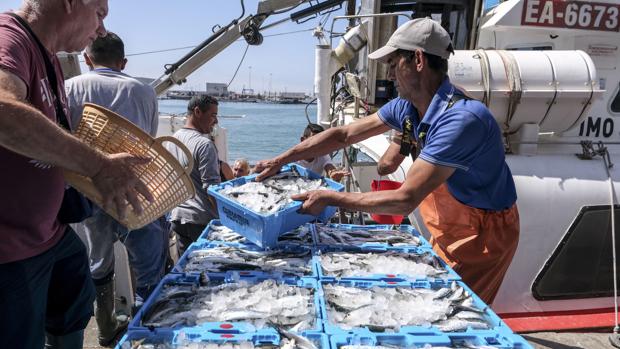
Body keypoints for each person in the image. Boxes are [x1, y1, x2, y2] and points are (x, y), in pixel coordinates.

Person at [256, 18, 519, 304]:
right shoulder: (407, 107)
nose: (390, 74)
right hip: (448, 223)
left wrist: (330, 198)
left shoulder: (462, 119)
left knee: (452, 308)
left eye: (394, 63)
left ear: (417, 60)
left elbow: (406, 199)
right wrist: (282, 159)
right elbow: (343, 134)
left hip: (481, 236)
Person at [0, 1, 154, 349]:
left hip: (50, 234)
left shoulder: (50, 58)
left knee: (76, 301)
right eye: (99, 13)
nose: (101, 30)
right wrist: (99, 166)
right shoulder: (9, 39)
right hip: (12, 248)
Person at [65, 32, 167, 346]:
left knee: (99, 261)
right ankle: (144, 330)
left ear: (86, 59)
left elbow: (65, 136)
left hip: (88, 188)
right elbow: (148, 138)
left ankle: (107, 328)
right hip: (133, 188)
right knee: (147, 263)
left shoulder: (71, 87)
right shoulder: (143, 91)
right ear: (123, 63)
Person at [166, 95, 222, 256]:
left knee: (187, 269)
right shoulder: (204, 144)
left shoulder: (172, 140)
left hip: (177, 218)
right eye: (213, 115)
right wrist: (225, 220)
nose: (216, 121)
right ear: (197, 112)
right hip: (201, 221)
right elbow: (212, 189)